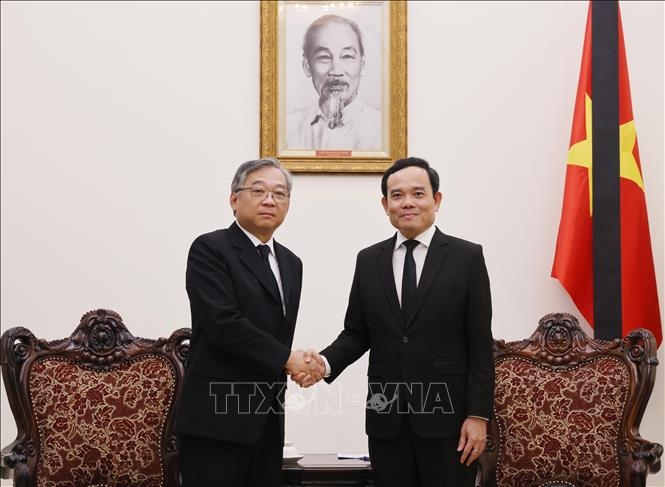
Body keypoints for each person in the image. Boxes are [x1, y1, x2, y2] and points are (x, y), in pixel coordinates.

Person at [303, 157, 494, 486]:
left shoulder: (467, 257)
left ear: (436, 200)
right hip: (386, 418)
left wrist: (478, 416)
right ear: (385, 205)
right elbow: (356, 333)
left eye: (418, 193)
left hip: (448, 420)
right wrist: (323, 364)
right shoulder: (369, 260)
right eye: (397, 195)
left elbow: (480, 343)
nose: (407, 202)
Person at [176, 158, 324, 486]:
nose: (270, 200)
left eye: (280, 194)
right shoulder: (210, 249)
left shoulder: (291, 263)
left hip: (268, 418)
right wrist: (289, 359)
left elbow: (277, 334)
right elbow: (223, 323)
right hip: (216, 418)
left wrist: (296, 363)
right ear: (234, 199)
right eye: (258, 191)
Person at [285, 14, 382, 151]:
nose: (336, 71)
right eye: (324, 57)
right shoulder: (287, 129)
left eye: (347, 56)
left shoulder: (382, 129)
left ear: (362, 65)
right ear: (307, 66)